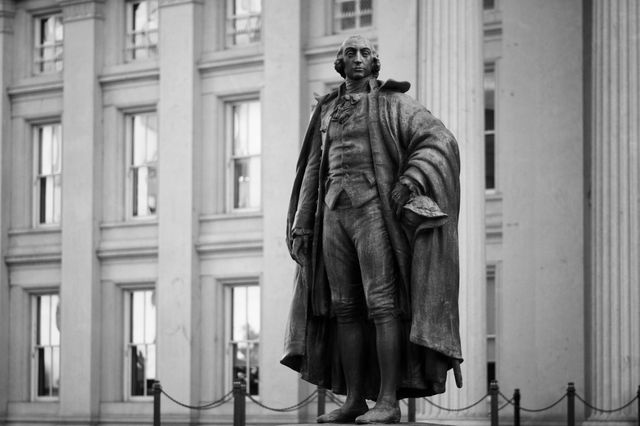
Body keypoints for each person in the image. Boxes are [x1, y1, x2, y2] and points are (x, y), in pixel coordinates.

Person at [281, 35, 463, 424]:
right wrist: (302, 221)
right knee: (344, 308)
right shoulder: (327, 110)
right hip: (332, 212)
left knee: (382, 306)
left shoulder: (392, 103)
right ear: (340, 63)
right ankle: (354, 400)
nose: (358, 59)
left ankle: (387, 400)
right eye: (351, 53)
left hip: (373, 212)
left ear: (374, 62)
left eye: (365, 53)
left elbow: (439, 139)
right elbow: (315, 167)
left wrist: (412, 178)